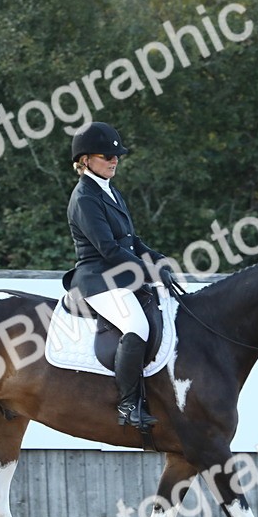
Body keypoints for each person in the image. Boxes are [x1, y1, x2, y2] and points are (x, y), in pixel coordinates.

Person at [64, 122, 176, 430]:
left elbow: (132, 241)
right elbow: (110, 250)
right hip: (98, 279)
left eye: (117, 156)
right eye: (106, 156)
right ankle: (128, 404)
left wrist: (158, 259)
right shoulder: (84, 197)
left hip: (121, 275)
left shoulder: (110, 190)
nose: (114, 160)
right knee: (136, 326)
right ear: (85, 160)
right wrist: (149, 271)